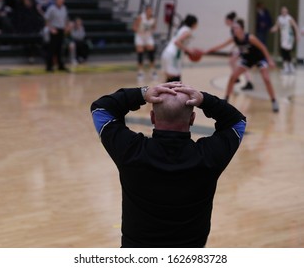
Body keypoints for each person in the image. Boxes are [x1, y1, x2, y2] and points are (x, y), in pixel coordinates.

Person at [90, 82, 246, 248]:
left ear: (152, 117)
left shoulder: (131, 152)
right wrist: (205, 100)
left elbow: (101, 109)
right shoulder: (208, 157)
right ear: (192, 119)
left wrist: (142, 93)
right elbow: (237, 122)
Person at [205, 19, 279, 113]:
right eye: (234, 28)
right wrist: (205, 51)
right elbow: (220, 46)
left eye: (236, 27)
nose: (234, 29)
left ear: (242, 29)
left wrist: (270, 60)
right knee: (233, 77)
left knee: (266, 79)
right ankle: (225, 100)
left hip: (259, 58)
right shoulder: (234, 38)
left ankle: (274, 101)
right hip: (247, 59)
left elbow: (263, 47)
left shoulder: (250, 38)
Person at [161, 14, 198, 83]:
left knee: (170, 80)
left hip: (167, 52)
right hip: (173, 55)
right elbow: (177, 42)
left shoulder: (182, 28)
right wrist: (189, 50)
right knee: (176, 81)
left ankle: (164, 92)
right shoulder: (188, 31)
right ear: (193, 24)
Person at [225, 11, 253, 90]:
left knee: (241, 65)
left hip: (244, 49)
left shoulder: (234, 27)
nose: (225, 22)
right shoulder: (234, 27)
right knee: (232, 62)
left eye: (226, 20)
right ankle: (238, 78)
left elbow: (239, 40)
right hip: (241, 48)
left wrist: (232, 49)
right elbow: (237, 41)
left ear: (230, 20)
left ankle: (248, 82)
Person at [270, 6, 300, 75]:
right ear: (281, 12)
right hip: (283, 37)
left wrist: (297, 35)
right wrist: (273, 29)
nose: (284, 12)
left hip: (289, 36)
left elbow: (295, 26)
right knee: (283, 51)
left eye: (285, 11)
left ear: (287, 12)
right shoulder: (279, 18)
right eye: (283, 11)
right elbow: (277, 26)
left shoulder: (289, 18)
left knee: (286, 51)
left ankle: (288, 67)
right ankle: (289, 67)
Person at [44, 0, 68, 72]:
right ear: (56, 0)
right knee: (51, 49)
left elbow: (65, 19)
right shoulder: (51, 8)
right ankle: (49, 66)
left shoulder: (64, 8)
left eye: (62, 0)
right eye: (60, 0)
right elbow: (46, 20)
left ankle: (60, 65)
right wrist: (51, 29)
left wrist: (65, 27)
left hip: (61, 30)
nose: (61, 1)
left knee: (60, 49)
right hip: (54, 30)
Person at [133, 5, 157, 82]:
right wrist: (139, 30)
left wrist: (151, 30)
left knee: (151, 53)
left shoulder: (153, 19)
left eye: (151, 10)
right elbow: (134, 27)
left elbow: (154, 27)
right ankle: (140, 72)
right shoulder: (141, 17)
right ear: (146, 11)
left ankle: (152, 70)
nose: (149, 12)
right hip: (140, 36)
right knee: (140, 53)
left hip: (148, 37)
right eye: (148, 10)